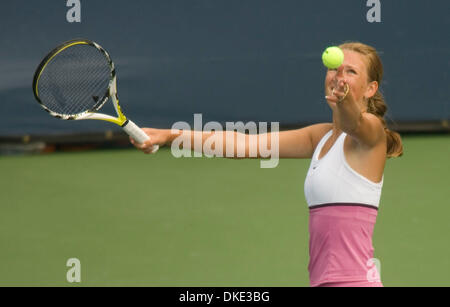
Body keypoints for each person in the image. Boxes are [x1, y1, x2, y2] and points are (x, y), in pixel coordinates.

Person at [130, 42, 403, 287]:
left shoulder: (372, 133)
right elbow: (243, 145)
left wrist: (346, 104)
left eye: (351, 72)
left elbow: (354, 121)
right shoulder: (320, 137)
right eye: (335, 69)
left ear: (371, 88)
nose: (339, 76)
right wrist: (169, 136)